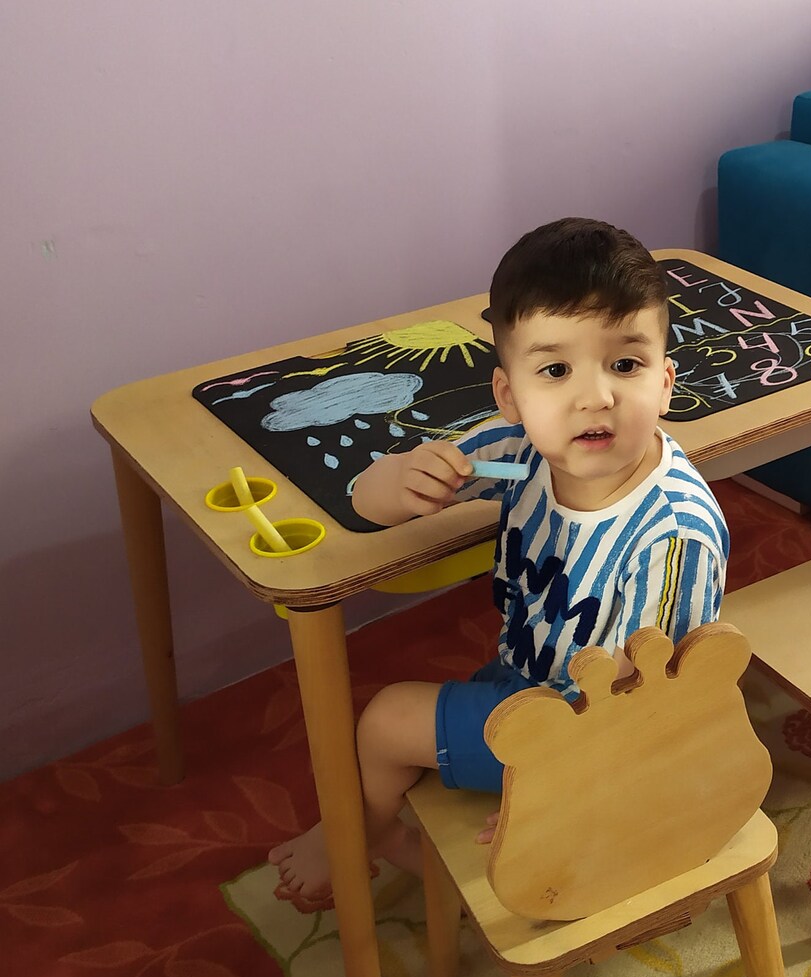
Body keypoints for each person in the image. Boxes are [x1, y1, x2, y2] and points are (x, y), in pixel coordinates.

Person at [270, 217, 730, 897]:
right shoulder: (520, 448)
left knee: (384, 721)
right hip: (530, 678)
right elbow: (365, 501)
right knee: (423, 724)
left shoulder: (674, 537)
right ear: (510, 396)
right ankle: (376, 826)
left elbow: (658, 708)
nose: (594, 396)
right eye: (554, 369)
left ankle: (364, 838)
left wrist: (567, 791)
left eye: (624, 364)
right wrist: (396, 480)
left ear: (664, 383)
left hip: (584, 730)